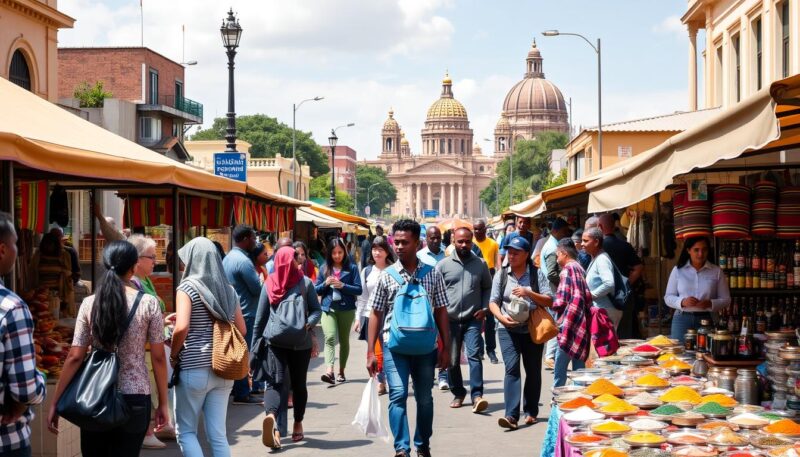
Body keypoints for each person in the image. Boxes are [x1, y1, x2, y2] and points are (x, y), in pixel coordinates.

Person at [48, 240, 169, 456]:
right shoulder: (149, 303)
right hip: (136, 396)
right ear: (133, 267)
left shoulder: (89, 303)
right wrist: (163, 404)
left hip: (95, 395)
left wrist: (54, 402)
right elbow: (159, 358)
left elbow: (75, 356)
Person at [366, 219, 450, 457]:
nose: (399, 247)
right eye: (397, 242)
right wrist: (372, 351)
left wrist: (446, 348)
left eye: (405, 242)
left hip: (426, 348)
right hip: (394, 347)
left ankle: (422, 444)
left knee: (424, 398)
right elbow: (375, 313)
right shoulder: (387, 275)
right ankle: (402, 448)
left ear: (417, 243)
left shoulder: (432, 274)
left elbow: (442, 312)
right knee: (398, 395)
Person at [171, 237, 246, 456]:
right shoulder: (229, 290)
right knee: (218, 434)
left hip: (194, 367)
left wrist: (174, 355)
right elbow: (241, 329)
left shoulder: (187, 287)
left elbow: (182, 327)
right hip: (224, 369)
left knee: (186, 432)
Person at [254, 246, 322, 449]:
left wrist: (254, 348)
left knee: (276, 383)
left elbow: (260, 319)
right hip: (296, 343)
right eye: (294, 258)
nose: (298, 261)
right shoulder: (304, 283)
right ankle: (294, 423)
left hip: (278, 342)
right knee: (298, 385)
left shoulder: (272, 283)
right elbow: (317, 311)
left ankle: (273, 417)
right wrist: (307, 325)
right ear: (286, 261)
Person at [489, 234, 552, 430]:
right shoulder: (501, 274)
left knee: (533, 370)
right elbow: (493, 302)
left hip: (531, 330)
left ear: (526, 254)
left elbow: (549, 300)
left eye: (516, 253)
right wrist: (501, 318)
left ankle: (531, 411)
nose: (511, 256)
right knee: (512, 368)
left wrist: (528, 292)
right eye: (509, 252)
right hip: (507, 329)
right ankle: (511, 415)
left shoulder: (536, 274)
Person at [0, 212, 47, 457]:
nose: (18, 250)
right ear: (2, 249)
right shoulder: (11, 309)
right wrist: (37, 383)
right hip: (6, 441)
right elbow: (25, 389)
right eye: (16, 243)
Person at [437, 226, 492, 414]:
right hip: (449, 321)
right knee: (452, 360)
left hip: (472, 319)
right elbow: (435, 292)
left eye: (467, 241)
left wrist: (484, 308)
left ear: (472, 242)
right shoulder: (443, 266)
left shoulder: (481, 264)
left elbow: (487, 288)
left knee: (474, 355)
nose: (463, 244)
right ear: (453, 241)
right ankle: (458, 393)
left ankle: (477, 395)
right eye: (460, 241)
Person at [128, 235, 172, 449]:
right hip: (144, 348)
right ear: (136, 259)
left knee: (151, 390)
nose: (156, 261)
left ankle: (154, 426)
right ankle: (146, 431)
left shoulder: (144, 280)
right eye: (151, 257)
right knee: (148, 392)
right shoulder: (133, 284)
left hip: (150, 344)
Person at [222, 224, 263, 405]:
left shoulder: (228, 258)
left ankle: (241, 389)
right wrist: (261, 281)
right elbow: (257, 289)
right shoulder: (244, 262)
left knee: (239, 353)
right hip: (247, 314)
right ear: (245, 239)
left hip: (235, 312)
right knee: (245, 354)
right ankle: (243, 392)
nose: (255, 241)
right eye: (253, 238)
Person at [664, 236, 730, 342]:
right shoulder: (678, 270)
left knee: (705, 353)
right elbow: (668, 297)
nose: (700, 254)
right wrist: (682, 302)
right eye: (696, 250)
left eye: (704, 250)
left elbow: (726, 299)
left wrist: (710, 303)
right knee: (680, 354)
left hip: (707, 318)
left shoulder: (716, 271)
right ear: (688, 250)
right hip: (682, 319)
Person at [315, 237, 362, 384]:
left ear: (344, 252)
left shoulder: (352, 268)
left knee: (343, 340)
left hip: (346, 308)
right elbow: (316, 290)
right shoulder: (324, 268)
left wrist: (343, 285)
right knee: (329, 338)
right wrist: (325, 283)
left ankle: (341, 371)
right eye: (334, 253)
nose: (337, 255)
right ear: (329, 253)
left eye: (340, 252)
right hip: (328, 308)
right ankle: (330, 372)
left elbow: (359, 289)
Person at [552, 239, 592, 388]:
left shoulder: (567, 270)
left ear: (564, 253)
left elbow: (561, 300)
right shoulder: (580, 268)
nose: (557, 260)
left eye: (557, 255)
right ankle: (580, 395)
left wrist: (551, 303)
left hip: (569, 322)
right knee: (579, 365)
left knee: (560, 363)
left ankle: (557, 395)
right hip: (581, 320)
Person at [598, 213, 644, 339]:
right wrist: (626, 283)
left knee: (605, 337)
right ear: (614, 226)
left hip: (603, 298)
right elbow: (638, 268)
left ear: (600, 227)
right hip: (624, 297)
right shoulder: (625, 245)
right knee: (624, 337)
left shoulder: (598, 248)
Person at [415, 226, 449, 390]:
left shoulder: (447, 254)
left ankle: (443, 375)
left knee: (443, 340)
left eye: (438, 237)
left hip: (444, 304)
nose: (435, 240)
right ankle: (428, 373)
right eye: (432, 238)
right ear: (426, 239)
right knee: (428, 342)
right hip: (426, 305)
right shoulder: (419, 256)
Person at [540, 218, 571, 369]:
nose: (566, 234)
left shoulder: (552, 244)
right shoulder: (552, 247)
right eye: (565, 231)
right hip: (553, 291)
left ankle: (550, 356)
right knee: (556, 323)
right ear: (556, 231)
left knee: (555, 322)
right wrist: (563, 284)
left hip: (551, 290)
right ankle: (550, 356)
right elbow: (552, 273)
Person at [472, 220, 500, 364]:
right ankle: (480, 349)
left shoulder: (493, 244)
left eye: (479, 229)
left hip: (490, 279)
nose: (477, 232)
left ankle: (491, 350)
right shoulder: (469, 243)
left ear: (485, 229)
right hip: (475, 282)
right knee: (477, 318)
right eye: (475, 229)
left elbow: (498, 264)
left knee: (490, 320)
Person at [582, 228, 621, 329]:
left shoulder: (602, 259)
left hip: (604, 310)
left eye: (585, 241)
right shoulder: (595, 258)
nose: (582, 244)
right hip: (600, 309)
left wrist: (592, 295)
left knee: (602, 344)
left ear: (596, 242)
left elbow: (609, 283)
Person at [30, 231, 75, 316]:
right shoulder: (38, 255)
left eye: (51, 243)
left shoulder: (64, 255)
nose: (49, 246)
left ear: (56, 244)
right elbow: (32, 274)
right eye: (47, 244)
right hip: (41, 296)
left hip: (58, 296)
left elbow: (69, 275)